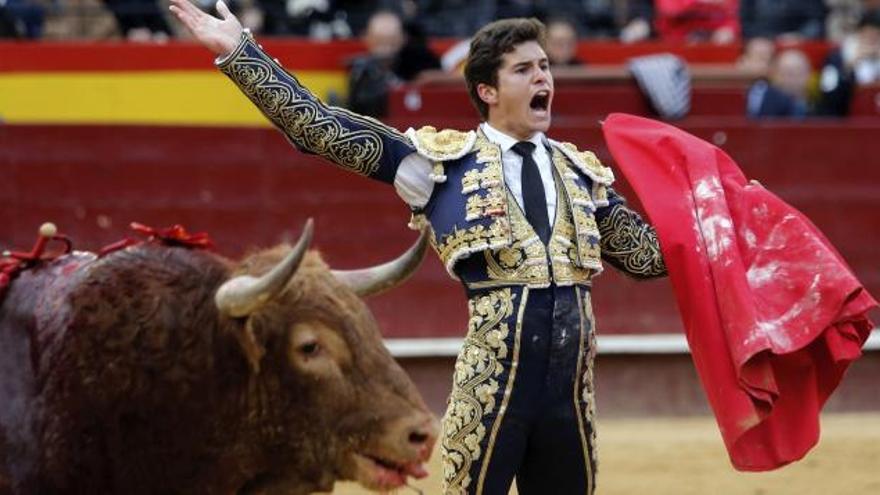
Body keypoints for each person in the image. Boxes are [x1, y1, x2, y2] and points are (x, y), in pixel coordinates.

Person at [168, 1, 667, 493]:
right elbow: (319, 129)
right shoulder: (438, 165)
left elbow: (649, 258)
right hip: (494, 391)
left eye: (543, 67)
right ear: (488, 90)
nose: (543, 79)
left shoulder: (583, 176)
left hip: (570, 396)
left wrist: (730, 220)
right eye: (524, 70)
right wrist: (241, 53)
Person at [817, 8, 880, 116]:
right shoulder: (836, 59)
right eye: (868, 36)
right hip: (847, 120)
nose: (872, 43)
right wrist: (848, 68)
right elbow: (828, 97)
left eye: (877, 38)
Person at [746, 48, 812, 118]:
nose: (793, 79)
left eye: (799, 72)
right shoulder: (761, 103)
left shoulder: (818, 102)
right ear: (775, 75)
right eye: (787, 73)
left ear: (808, 74)